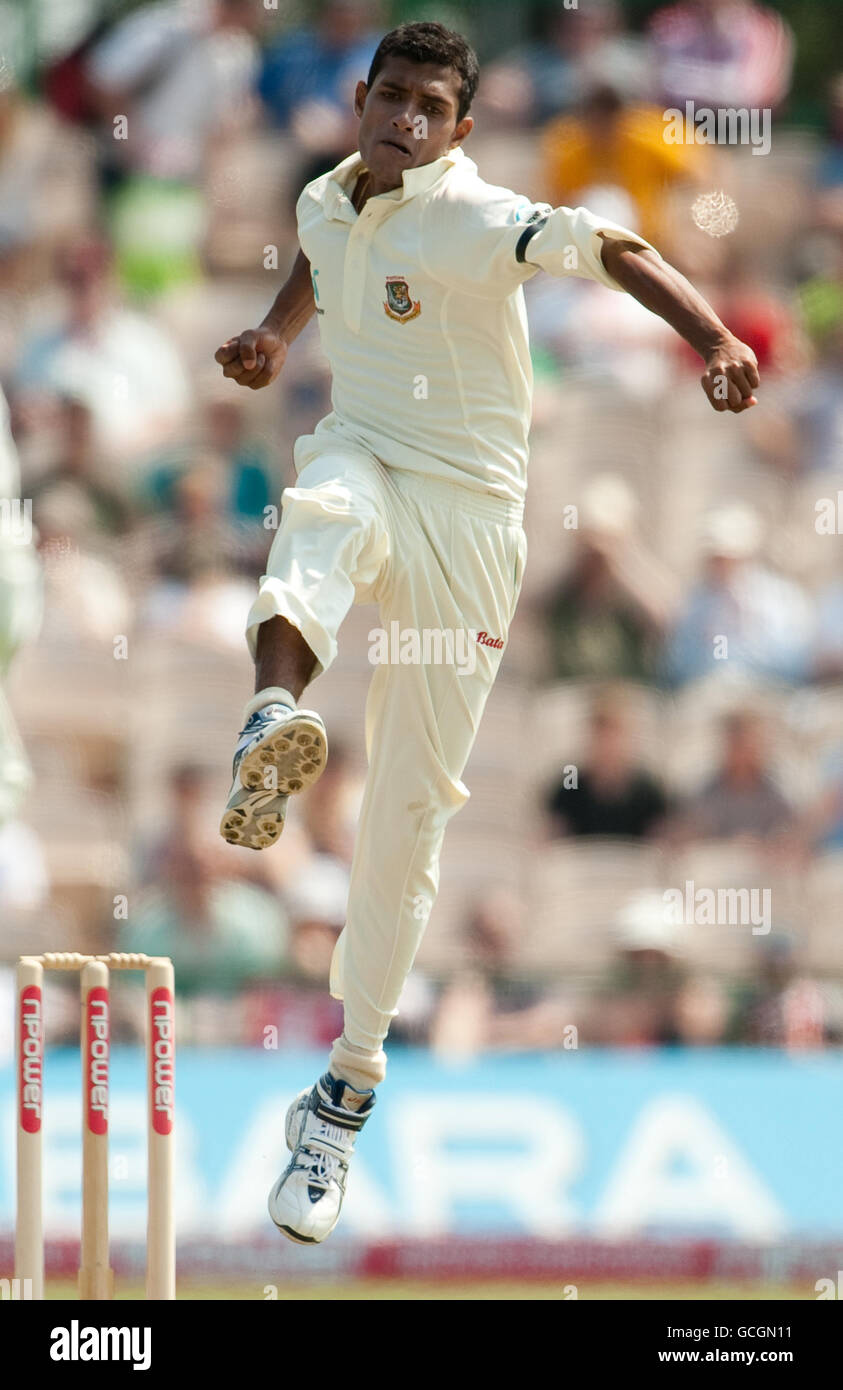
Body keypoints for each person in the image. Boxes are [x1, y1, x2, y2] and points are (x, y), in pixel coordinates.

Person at [213, 21, 760, 1246]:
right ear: (361, 99)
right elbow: (317, 250)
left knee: (411, 814)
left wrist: (714, 337)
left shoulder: (475, 214)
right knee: (320, 507)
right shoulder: (321, 195)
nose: (405, 119)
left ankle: (344, 1089)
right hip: (369, 455)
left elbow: (611, 245)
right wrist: (273, 336)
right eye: (390, 96)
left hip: (470, 522)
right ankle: (271, 713)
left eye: (429, 108)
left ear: (459, 130)